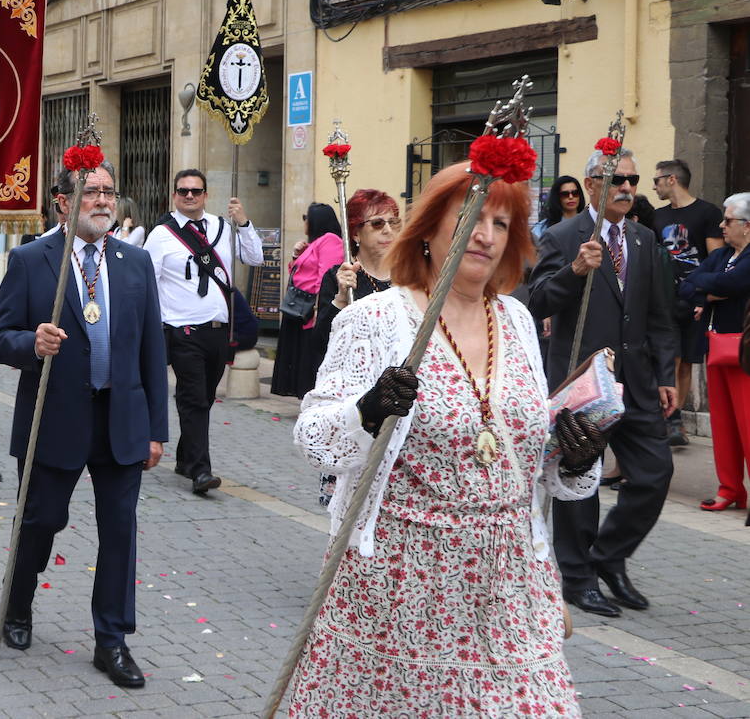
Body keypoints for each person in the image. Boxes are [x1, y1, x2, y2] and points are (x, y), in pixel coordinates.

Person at [290, 161, 602, 717]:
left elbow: (528, 458)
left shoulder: (518, 321)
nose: (486, 235)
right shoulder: (375, 319)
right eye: (471, 217)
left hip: (509, 582)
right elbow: (314, 438)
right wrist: (367, 411)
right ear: (430, 228)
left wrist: (574, 458)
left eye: (502, 224)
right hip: (401, 585)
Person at [0, 161, 168, 688]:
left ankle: (111, 641)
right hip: (55, 416)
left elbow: (152, 352)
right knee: (41, 521)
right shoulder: (31, 259)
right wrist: (31, 344)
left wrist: (157, 428)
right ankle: (19, 603)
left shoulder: (134, 263)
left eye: (109, 191)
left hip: (121, 419)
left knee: (119, 532)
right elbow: (0, 338)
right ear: (64, 201)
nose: (103, 201)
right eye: (91, 192)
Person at [529, 146, 678, 617]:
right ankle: (577, 578)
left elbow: (658, 315)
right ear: (593, 184)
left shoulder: (642, 240)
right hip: (583, 381)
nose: (628, 189)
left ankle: (608, 558)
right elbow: (536, 300)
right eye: (618, 180)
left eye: (632, 181)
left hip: (635, 381)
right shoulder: (562, 235)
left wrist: (665, 375)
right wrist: (574, 271)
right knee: (580, 481)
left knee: (655, 473)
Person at [142, 169, 262, 495]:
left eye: (196, 191)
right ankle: (200, 470)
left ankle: (184, 457)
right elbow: (147, 285)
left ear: (206, 195)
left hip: (218, 331)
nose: (190, 196)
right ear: (175, 195)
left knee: (205, 398)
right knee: (193, 399)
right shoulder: (161, 235)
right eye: (183, 191)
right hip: (182, 331)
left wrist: (244, 223)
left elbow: (255, 257)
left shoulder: (224, 228)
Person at [304, 189, 400, 506]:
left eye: (393, 222)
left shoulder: (409, 275)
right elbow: (320, 344)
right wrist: (341, 300)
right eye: (377, 224)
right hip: (358, 398)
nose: (388, 230)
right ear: (356, 232)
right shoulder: (341, 277)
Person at [678, 193, 750, 516]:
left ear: (747, 227)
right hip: (718, 346)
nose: (722, 225)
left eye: (728, 220)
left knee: (748, 425)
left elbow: (734, 283)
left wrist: (706, 291)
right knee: (723, 425)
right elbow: (687, 283)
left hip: (745, 351)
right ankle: (730, 488)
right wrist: (710, 292)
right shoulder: (722, 255)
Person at [654, 158, 726, 447]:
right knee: (670, 358)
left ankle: (676, 419)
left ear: (672, 179)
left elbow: (716, 260)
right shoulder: (657, 217)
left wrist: (704, 295)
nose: (654, 185)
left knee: (686, 361)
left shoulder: (707, 213)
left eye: (657, 179)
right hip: (663, 299)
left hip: (694, 300)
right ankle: (667, 419)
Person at [270, 203, 342, 399]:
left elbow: (325, 278)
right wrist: (296, 255)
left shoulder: (330, 241)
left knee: (308, 360)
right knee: (299, 359)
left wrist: (319, 313)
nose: (304, 222)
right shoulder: (315, 243)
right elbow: (299, 274)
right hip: (298, 310)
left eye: (306, 217)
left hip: (309, 312)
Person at [532, 174, 585, 240]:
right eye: (565, 194)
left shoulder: (589, 223)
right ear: (557, 197)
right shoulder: (542, 228)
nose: (571, 197)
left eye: (575, 193)